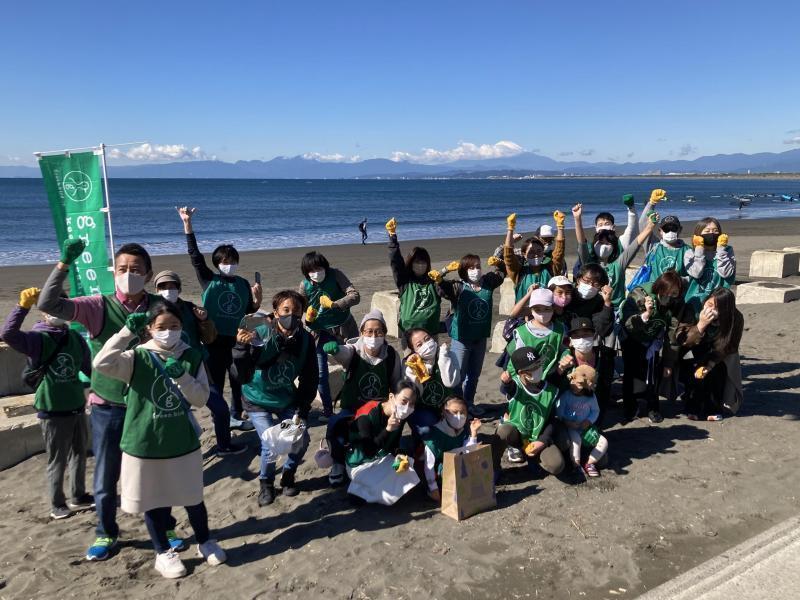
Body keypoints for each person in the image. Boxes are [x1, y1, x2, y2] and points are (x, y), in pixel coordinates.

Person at [37, 238, 182, 561]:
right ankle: (106, 532)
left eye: (136, 269)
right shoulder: (97, 306)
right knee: (105, 477)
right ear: (113, 271)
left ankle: (166, 527)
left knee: (156, 474)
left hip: (148, 405)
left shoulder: (158, 307)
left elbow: (181, 338)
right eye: (122, 269)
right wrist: (64, 264)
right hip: (107, 406)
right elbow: (48, 303)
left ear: (148, 274)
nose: (128, 274)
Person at [92, 303, 226, 579]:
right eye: (161, 327)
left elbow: (201, 399)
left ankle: (205, 541)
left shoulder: (191, 356)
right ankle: (163, 552)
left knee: (193, 498)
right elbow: (101, 363)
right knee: (154, 501)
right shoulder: (136, 356)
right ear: (150, 329)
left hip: (181, 442)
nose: (168, 332)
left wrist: (183, 376)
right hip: (145, 442)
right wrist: (126, 331)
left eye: (174, 326)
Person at [1, 287, 93, 519]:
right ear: (43, 311)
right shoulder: (37, 339)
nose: (56, 310)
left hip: (76, 405)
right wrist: (22, 306)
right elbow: (8, 334)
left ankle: (78, 495)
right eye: (51, 306)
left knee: (79, 453)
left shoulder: (74, 338)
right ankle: (57, 503)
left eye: (60, 304)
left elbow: (88, 369)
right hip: (52, 409)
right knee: (57, 458)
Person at [177, 206, 262, 431]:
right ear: (217, 263)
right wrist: (187, 225)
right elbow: (195, 257)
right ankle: (220, 416)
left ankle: (235, 414)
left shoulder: (243, 284)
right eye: (225, 260)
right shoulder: (209, 280)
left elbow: (248, 311)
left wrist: (257, 300)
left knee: (237, 380)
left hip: (236, 340)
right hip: (213, 339)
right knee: (215, 381)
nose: (229, 264)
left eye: (233, 260)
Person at [232, 290, 318, 506]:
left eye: (296, 311)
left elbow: (310, 376)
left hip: (286, 397)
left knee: (301, 439)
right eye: (286, 310)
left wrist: (303, 406)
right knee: (270, 442)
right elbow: (240, 374)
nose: (291, 315)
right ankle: (266, 483)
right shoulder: (259, 332)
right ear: (276, 312)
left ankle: (288, 475)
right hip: (256, 397)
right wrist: (241, 348)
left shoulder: (305, 339)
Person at [153, 270, 245, 456]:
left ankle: (224, 446)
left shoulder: (190, 308)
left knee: (219, 407)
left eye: (172, 286)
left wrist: (204, 321)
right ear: (156, 290)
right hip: (165, 371)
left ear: (179, 288)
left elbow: (210, 338)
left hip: (196, 366)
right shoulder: (152, 312)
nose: (168, 290)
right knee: (171, 413)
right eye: (163, 287)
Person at [439, 251, 505, 415]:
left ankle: (469, 403)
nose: (475, 270)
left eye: (478, 266)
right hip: (461, 339)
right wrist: (444, 271)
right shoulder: (458, 287)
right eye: (471, 268)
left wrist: (499, 262)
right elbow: (440, 286)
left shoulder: (487, 282)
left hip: (480, 337)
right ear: (464, 270)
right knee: (458, 376)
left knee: (473, 375)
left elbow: (502, 274)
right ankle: (457, 407)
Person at [333, 382, 420, 504]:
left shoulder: (401, 416)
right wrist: (388, 429)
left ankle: (369, 488)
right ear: (391, 397)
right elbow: (368, 450)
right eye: (404, 401)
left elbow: (394, 443)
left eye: (411, 404)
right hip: (359, 463)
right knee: (388, 487)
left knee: (407, 471)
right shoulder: (367, 414)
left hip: (381, 456)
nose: (407, 408)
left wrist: (398, 454)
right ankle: (358, 490)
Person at [298, 251, 360, 419]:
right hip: (319, 332)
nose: (316, 272)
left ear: (325, 267)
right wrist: (307, 318)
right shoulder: (305, 285)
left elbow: (355, 295)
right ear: (306, 273)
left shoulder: (336, 274)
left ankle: (354, 403)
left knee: (355, 364)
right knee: (320, 374)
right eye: (311, 270)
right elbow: (299, 307)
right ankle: (327, 410)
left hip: (344, 327)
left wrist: (335, 305)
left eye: (319, 268)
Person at [620, 270, 684, 423]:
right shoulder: (641, 294)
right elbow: (628, 323)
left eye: (674, 293)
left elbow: (672, 334)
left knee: (653, 375)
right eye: (666, 291)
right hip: (632, 337)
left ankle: (653, 407)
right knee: (631, 373)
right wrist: (645, 315)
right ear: (659, 287)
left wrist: (669, 362)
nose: (669, 296)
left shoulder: (676, 303)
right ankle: (630, 406)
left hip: (653, 341)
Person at [674, 288, 744, 421]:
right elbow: (682, 340)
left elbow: (728, 346)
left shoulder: (735, 318)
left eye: (717, 308)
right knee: (693, 371)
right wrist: (701, 325)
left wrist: (710, 365)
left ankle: (712, 408)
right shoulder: (693, 308)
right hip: (692, 349)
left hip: (717, 354)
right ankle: (692, 406)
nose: (711, 310)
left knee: (717, 374)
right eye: (709, 304)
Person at [495, 347, 565, 476]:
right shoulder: (516, 386)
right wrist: (505, 382)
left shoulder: (551, 390)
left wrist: (543, 440)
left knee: (557, 466)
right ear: (521, 372)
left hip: (537, 436)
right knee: (503, 431)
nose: (538, 369)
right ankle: (497, 463)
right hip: (517, 434)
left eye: (538, 364)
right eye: (532, 368)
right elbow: (508, 388)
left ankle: (533, 456)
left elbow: (552, 420)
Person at [385, 217, 444, 340]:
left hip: (430, 334)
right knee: (410, 360)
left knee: (431, 359)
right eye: (417, 262)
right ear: (411, 263)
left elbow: (449, 293)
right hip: (409, 334)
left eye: (423, 262)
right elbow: (396, 261)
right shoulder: (404, 282)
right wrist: (392, 236)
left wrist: (443, 276)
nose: (420, 265)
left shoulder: (434, 282)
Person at [421, 396, 481, 501]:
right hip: (442, 471)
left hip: (461, 464)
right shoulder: (435, 434)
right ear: (444, 412)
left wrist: (473, 433)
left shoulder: (464, 429)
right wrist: (433, 489)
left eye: (463, 413)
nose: (459, 416)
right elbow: (428, 465)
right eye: (454, 412)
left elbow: (469, 452)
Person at [403, 328, 460, 436]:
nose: (426, 345)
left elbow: (451, 382)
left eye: (427, 339)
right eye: (419, 345)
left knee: (461, 425)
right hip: (423, 409)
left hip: (446, 405)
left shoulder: (449, 354)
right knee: (427, 429)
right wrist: (414, 371)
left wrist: (443, 357)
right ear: (414, 350)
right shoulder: (411, 364)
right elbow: (415, 394)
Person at [555, 364, 608, 477]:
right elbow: (559, 410)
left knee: (603, 442)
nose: (574, 385)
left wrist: (589, 421)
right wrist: (566, 421)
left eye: (578, 384)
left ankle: (589, 463)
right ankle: (576, 464)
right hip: (571, 426)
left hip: (585, 427)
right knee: (576, 440)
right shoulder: (566, 395)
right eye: (573, 381)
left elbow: (595, 411)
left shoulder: (591, 397)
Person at [505, 288, 569, 382]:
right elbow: (516, 360)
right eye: (537, 309)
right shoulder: (522, 332)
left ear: (553, 308)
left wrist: (565, 357)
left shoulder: (560, 328)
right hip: (528, 378)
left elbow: (563, 348)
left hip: (551, 376)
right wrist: (513, 379)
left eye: (547, 309)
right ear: (531, 310)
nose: (542, 313)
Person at [571, 194, 641, 278]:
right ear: (596, 228)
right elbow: (581, 242)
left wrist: (631, 208)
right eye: (600, 224)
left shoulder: (621, 244)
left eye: (607, 224)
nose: (603, 226)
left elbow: (632, 229)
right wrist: (577, 218)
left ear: (613, 227)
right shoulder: (590, 249)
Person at [503, 211, 566, 302]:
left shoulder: (551, 269)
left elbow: (559, 252)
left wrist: (560, 226)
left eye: (539, 251)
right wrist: (510, 229)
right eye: (531, 252)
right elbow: (508, 256)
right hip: (523, 314)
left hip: (547, 313)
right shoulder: (518, 272)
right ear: (524, 254)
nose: (536, 254)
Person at [684, 218, 736, 316]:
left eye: (715, 230)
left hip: (719, 302)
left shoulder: (727, 251)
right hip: (695, 301)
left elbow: (726, 273)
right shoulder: (690, 253)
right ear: (699, 234)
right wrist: (699, 250)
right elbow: (696, 273)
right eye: (707, 231)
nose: (711, 233)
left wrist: (721, 250)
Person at [639, 215, 690, 282]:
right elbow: (642, 227)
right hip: (654, 290)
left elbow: (694, 275)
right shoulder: (653, 246)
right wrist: (650, 205)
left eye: (673, 229)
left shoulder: (687, 250)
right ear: (660, 231)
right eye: (666, 229)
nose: (670, 232)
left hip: (677, 291)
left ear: (680, 230)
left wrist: (680, 280)